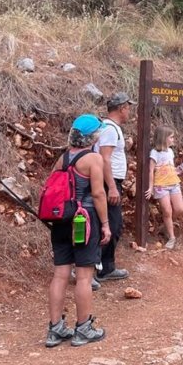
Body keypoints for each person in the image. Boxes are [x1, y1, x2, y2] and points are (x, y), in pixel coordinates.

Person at [45, 114, 112, 348]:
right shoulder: (93, 159)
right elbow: (98, 194)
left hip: (61, 220)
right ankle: (83, 329)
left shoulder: (62, 158)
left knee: (60, 274)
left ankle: (55, 329)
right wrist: (105, 224)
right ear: (92, 137)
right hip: (84, 221)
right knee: (84, 276)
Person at [96, 92, 135, 282]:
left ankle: (104, 266)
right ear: (121, 108)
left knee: (112, 224)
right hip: (108, 183)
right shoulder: (110, 129)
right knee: (113, 225)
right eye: (128, 108)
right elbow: (105, 158)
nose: (129, 112)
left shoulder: (109, 128)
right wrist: (111, 187)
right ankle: (101, 268)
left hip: (109, 181)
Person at [145, 125, 183, 249]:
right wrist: (150, 187)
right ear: (164, 138)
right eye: (171, 137)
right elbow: (151, 171)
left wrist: (177, 170)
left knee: (179, 209)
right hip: (161, 185)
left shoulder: (170, 152)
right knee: (167, 211)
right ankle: (172, 237)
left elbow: (169, 167)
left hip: (173, 182)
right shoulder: (154, 153)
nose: (173, 139)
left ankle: (166, 226)